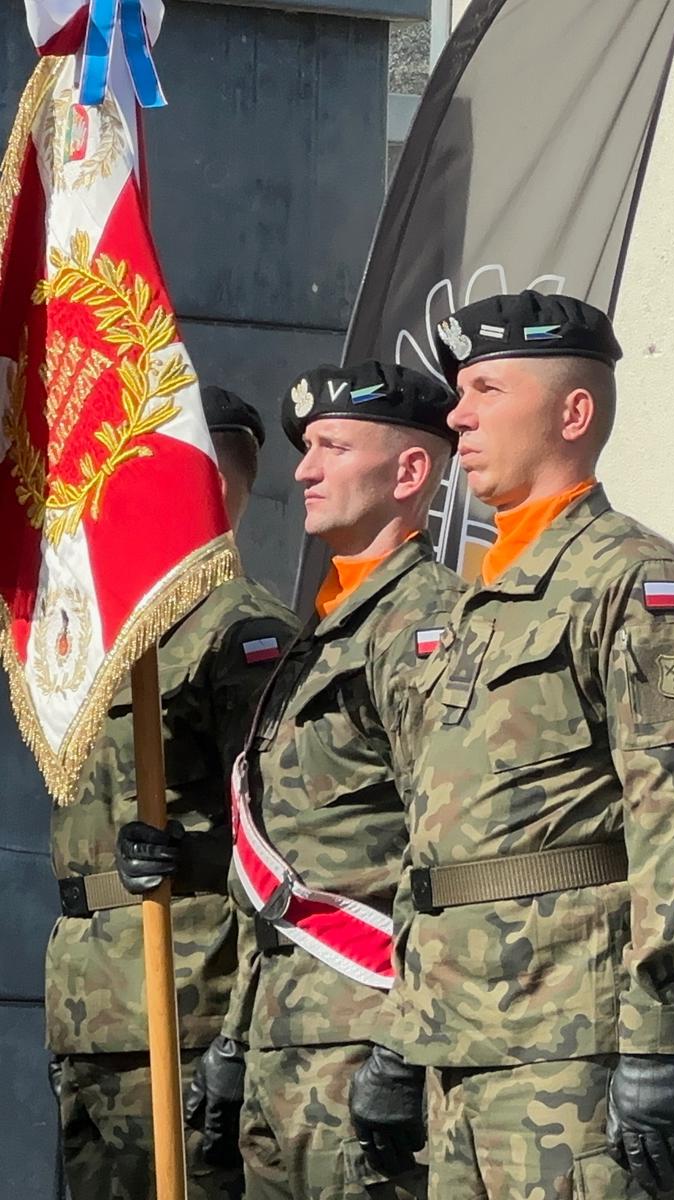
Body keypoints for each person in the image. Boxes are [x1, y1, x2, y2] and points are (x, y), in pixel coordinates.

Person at [379, 289, 674, 1199]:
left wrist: (656, 1034)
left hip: (573, 1045)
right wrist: (402, 1027)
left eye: (487, 390)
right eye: (461, 393)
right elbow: (437, 834)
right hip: (457, 1044)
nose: (457, 417)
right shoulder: (473, 602)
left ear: (573, 414)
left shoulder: (634, 580)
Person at [193, 361, 464, 1200]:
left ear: (409, 472)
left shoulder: (428, 626)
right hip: (282, 1037)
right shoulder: (320, 631)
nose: (305, 470)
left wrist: (406, 1044)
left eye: (333, 448)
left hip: (361, 1041)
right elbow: (283, 855)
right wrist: (236, 1032)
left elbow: (448, 848)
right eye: (306, 449)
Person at [49, 386, 298, 1200]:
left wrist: (191, 855)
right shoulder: (116, 634)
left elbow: (289, 839)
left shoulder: (242, 631)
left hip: (183, 1006)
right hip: (94, 1011)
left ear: (202, 479)